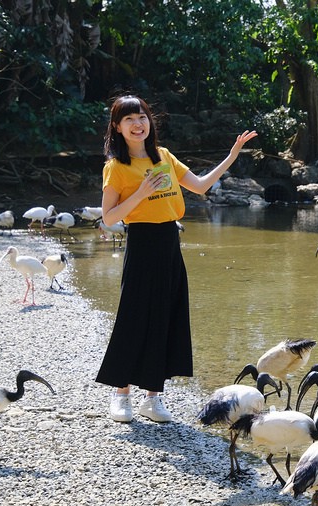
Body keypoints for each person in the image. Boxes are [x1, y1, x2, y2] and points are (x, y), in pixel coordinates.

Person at [96, 95, 258, 423]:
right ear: (117, 127)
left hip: (170, 240)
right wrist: (140, 193)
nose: (138, 124)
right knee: (134, 316)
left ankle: (152, 398)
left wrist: (231, 156)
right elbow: (110, 218)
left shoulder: (164, 157)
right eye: (129, 120)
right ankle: (121, 394)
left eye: (141, 117)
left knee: (166, 317)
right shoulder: (116, 167)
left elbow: (199, 187)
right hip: (141, 243)